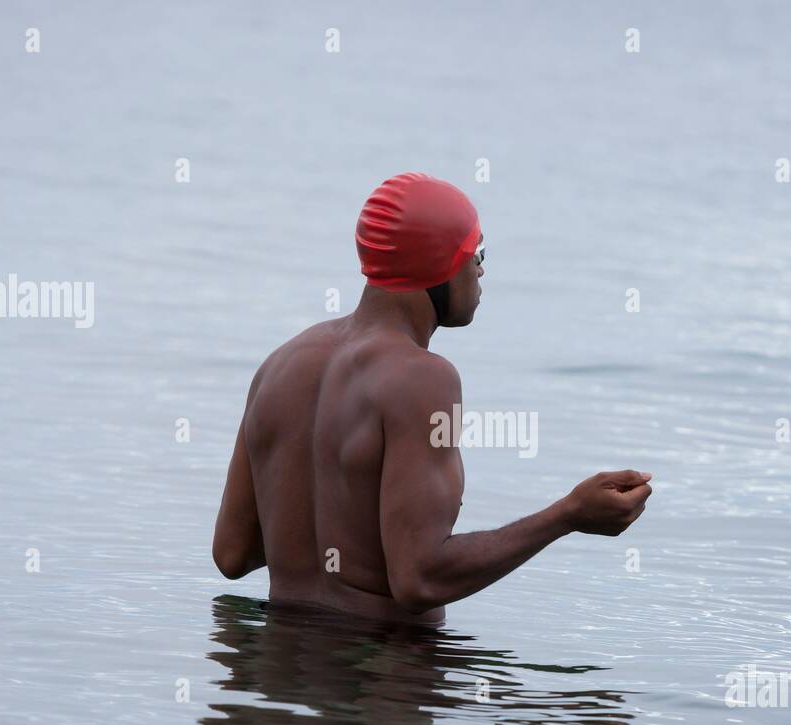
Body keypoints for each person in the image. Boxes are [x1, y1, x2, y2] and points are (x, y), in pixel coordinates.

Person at [213, 172, 652, 622]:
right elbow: (419, 578)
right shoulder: (422, 378)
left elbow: (232, 554)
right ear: (439, 263)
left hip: (277, 667)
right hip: (385, 671)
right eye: (475, 253)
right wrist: (568, 515)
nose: (480, 269)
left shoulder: (279, 365)